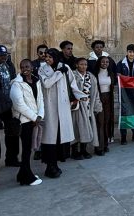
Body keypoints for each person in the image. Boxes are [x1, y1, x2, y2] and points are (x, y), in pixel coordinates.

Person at [38, 48, 78, 178]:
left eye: (50, 57)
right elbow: (47, 84)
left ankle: (56, 164)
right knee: (50, 137)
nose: (47, 59)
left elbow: (73, 84)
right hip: (50, 107)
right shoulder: (42, 69)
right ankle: (50, 166)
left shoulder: (65, 67)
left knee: (60, 136)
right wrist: (57, 74)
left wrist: (79, 96)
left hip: (63, 106)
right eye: (46, 57)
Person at [10, 59, 43, 185]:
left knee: (28, 148)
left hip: (34, 119)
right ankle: (26, 177)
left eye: (27, 66)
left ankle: (23, 173)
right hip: (24, 121)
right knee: (26, 149)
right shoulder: (16, 84)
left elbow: (40, 99)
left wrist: (40, 115)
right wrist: (34, 117)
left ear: (32, 67)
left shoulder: (36, 81)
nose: (25, 69)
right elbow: (18, 104)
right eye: (22, 66)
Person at [71, 57, 101, 158]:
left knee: (87, 128)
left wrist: (97, 106)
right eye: (81, 64)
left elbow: (96, 93)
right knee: (76, 128)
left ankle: (84, 150)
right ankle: (74, 151)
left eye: (85, 64)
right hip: (77, 107)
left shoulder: (91, 77)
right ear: (77, 65)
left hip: (88, 106)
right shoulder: (72, 76)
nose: (84, 66)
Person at [117, 44, 134, 144]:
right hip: (124, 93)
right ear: (127, 52)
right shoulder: (121, 63)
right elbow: (118, 76)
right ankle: (123, 136)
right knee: (124, 113)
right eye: (129, 52)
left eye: (133, 52)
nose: (131, 54)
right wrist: (119, 76)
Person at [92, 52, 116, 153]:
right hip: (99, 98)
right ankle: (99, 146)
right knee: (100, 122)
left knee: (107, 121)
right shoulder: (94, 74)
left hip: (108, 99)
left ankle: (105, 144)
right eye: (103, 62)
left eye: (107, 62)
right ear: (99, 63)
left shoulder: (110, 73)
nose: (105, 63)